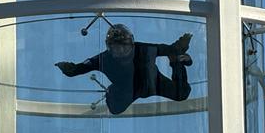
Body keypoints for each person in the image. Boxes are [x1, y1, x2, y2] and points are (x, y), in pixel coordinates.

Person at [56, 24, 193, 115]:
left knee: (182, 94)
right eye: (116, 47)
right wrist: (69, 69)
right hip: (128, 89)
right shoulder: (104, 59)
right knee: (115, 109)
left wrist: (181, 60)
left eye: (124, 46)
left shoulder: (144, 49)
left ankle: (176, 63)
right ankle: (112, 91)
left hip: (152, 83)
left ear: (131, 43)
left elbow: (172, 49)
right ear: (109, 47)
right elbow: (80, 68)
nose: (121, 51)